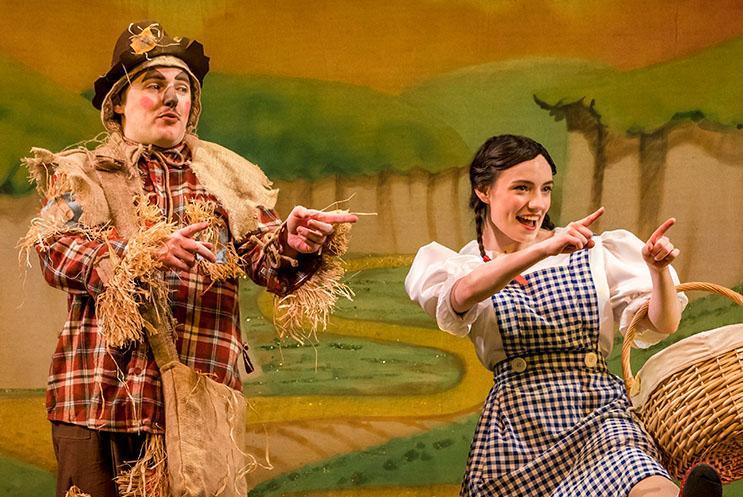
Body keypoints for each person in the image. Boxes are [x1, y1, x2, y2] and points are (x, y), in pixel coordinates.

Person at [21, 21, 357, 497]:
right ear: (118, 101)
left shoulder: (229, 179)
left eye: (182, 88)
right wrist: (137, 254)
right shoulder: (86, 174)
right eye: (154, 85)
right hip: (100, 400)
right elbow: (54, 249)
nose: (171, 97)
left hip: (201, 396)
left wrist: (295, 244)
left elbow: (266, 260)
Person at [405, 134, 722, 497]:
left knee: (642, 476)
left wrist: (657, 271)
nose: (536, 203)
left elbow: (662, 323)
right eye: (522, 188)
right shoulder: (462, 266)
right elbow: (461, 295)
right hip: (516, 429)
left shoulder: (593, 252)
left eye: (545, 189)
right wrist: (540, 250)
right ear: (484, 191)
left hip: (596, 408)